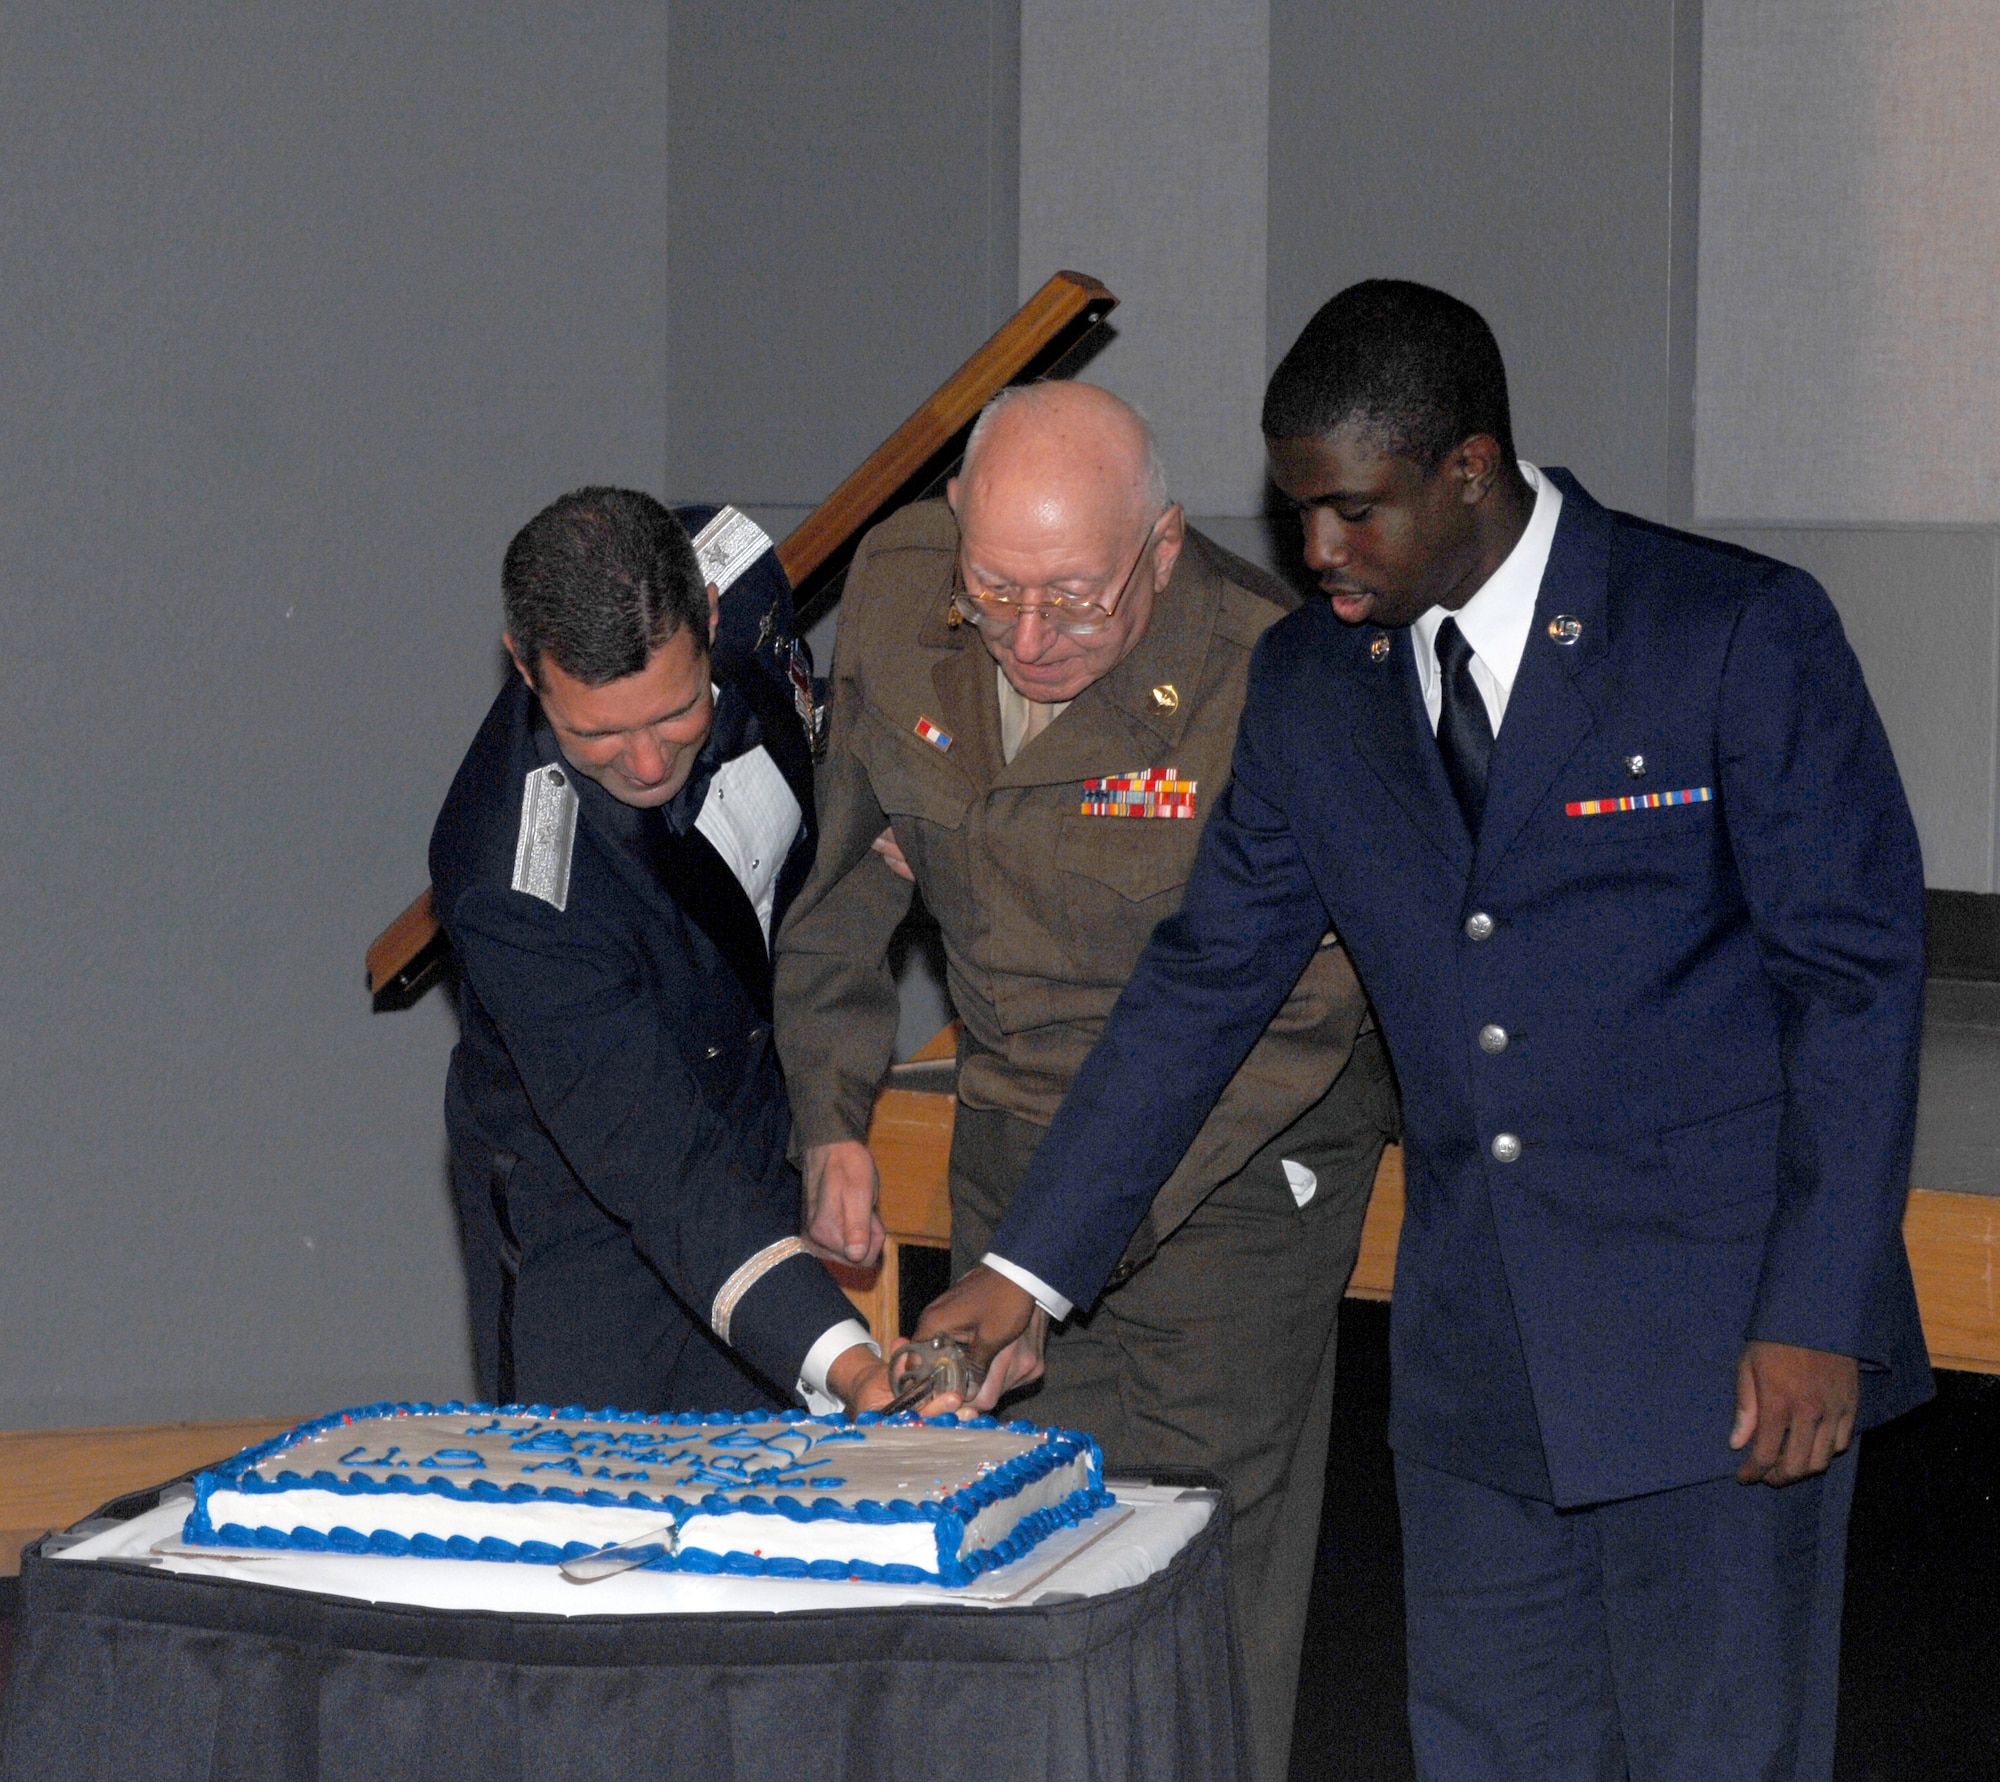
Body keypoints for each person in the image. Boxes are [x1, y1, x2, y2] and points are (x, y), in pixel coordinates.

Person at [918, 282, 1934, 1781]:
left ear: (1469, 468)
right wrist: (1023, 1271)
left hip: (1718, 1351)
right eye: (1297, 510)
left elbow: (1856, 979)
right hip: (1479, 1374)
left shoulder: (1725, 629)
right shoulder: (1317, 683)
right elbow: (1208, 981)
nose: (1315, 551)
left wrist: (1813, 1311)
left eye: (1353, 512)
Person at [773, 382, 1395, 1782]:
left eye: (1074, 600)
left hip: (1226, 1173)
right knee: (1020, 1577)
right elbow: (840, 881)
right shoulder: (895, 590)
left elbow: (1294, 1008)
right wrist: (830, 1109)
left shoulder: (1267, 674)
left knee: (1191, 1587)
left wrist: (1054, 1261)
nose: (1030, 638)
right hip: (1012, 1137)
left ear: (1163, 549)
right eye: (995, 593)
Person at [431, 486, 891, 1420]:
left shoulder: (741, 566)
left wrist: (889, 803)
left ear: (713, 616)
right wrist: (851, 1366)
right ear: (523, 665)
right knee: (600, 1526)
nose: (645, 764)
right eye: (597, 731)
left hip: (753, 1113)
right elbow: (663, 1167)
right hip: (589, 1221)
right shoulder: (509, 879)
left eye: (674, 713)